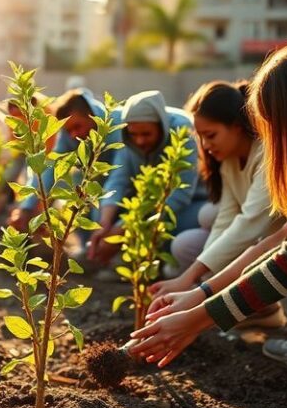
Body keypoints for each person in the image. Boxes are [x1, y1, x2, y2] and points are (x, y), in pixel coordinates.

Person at [130, 42, 287, 383]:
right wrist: (199, 295)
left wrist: (196, 320)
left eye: (276, 128)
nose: (278, 142)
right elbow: (284, 240)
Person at [149, 81, 285, 321]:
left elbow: (248, 225)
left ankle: (266, 311)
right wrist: (200, 280)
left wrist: (192, 281)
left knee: (224, 233)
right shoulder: (229, 162)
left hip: (280, 241)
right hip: (257, 238)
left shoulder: (266, 154)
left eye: (210, 135)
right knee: (191, 240)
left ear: (236, 126)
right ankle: (257, 312)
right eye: (200, 137)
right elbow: (225, 221)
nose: (205, 146)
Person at [85, 90, 207, 273]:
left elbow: (180, 195)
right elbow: (117, 181)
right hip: (146, 205)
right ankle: (123, 265)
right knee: (102, 213)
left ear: (162, 126)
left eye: (146, 134)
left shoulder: (182, 131)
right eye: (134, 134)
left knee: (166, 226)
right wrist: (105, 223)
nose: (139, 141)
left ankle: (154, 267)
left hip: (191, 203)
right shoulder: (130, 141)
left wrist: (123, 229)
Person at [6, 88, 123, 235]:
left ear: (91, 116)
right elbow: (50, 166)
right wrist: (26, 207)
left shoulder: (116, 125)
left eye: (77, 126)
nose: (74, 134)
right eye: (69, 130)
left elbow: (120, 177)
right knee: (78, 203)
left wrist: (105, 217)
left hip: (118, 177)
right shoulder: (68, 135)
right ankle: (87, 250)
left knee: (101, 214)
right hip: (90, 175)